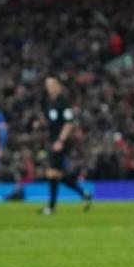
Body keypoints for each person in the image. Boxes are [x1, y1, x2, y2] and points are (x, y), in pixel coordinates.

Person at [41, 76, 93, 215]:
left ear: (58, 85)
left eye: (51, 84)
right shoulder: (49, 102)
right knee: (56, 174)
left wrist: (60, 141)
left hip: (62, 142)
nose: (49, 87)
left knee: (52, 173)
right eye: (47, 84)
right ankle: (83, 193)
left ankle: (51, 207)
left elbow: (69, 122)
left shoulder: (63, 101)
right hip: (53, 140)